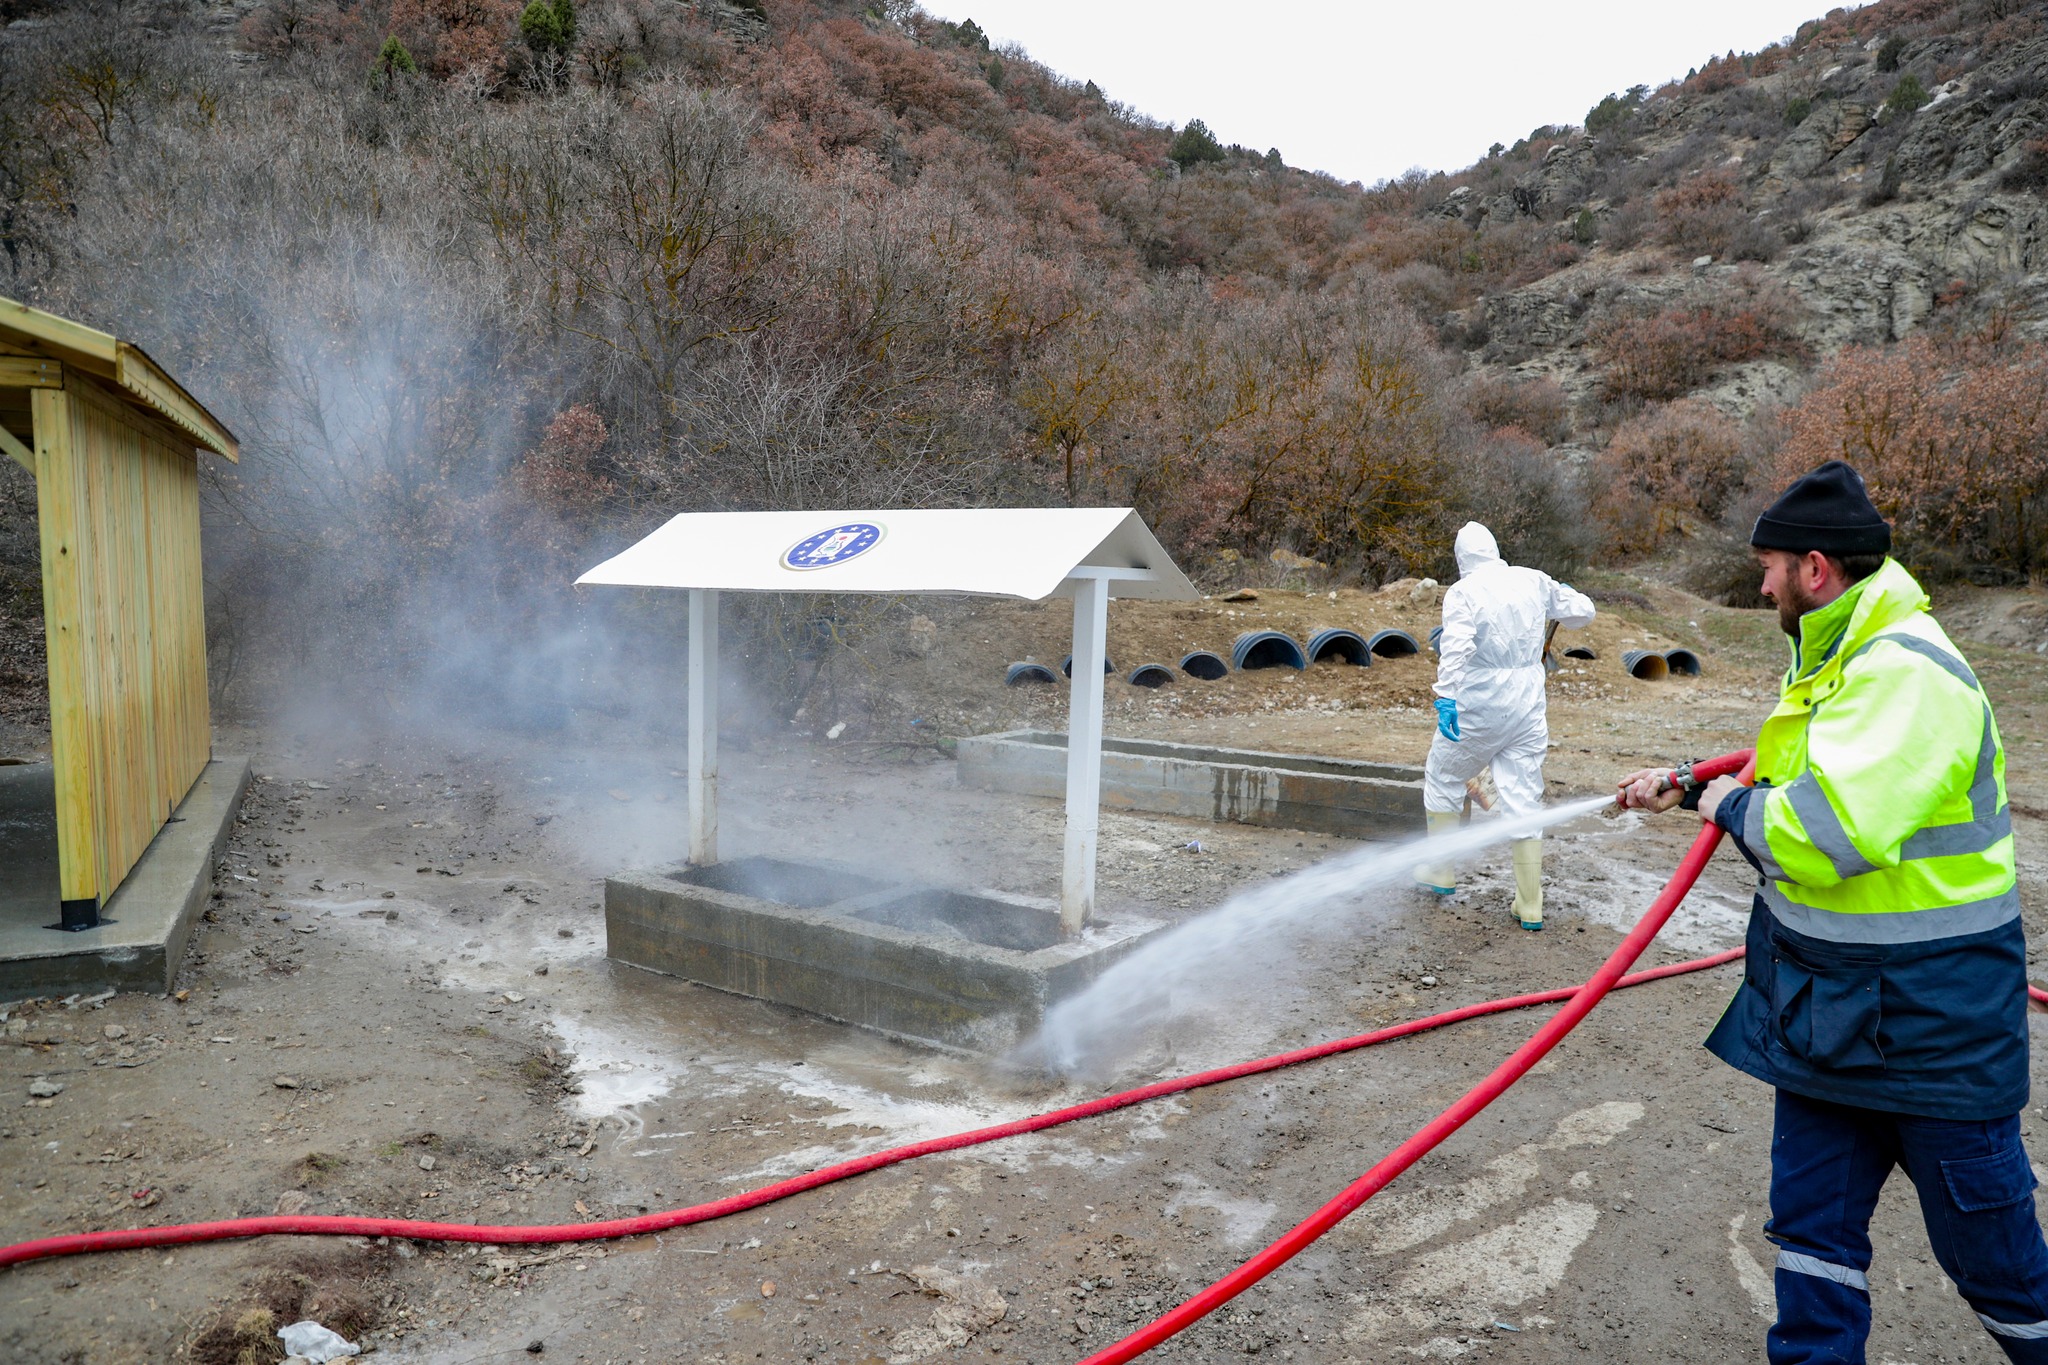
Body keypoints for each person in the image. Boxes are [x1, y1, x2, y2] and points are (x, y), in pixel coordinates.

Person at [1618, 460, 2048, 1363]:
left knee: (2002, 1274)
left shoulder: (1910, 672)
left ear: (1817, 569)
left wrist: (1721, 806)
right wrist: (1694, 778)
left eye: (1770, 565)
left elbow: (1822, 833)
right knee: (1813, 1252)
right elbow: (1813, 772)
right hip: (1830, 1019)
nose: (1761, 582)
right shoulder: (1844, 657)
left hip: (1934, 1035)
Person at [1412, 522, 1595, 929]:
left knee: (1443, 775)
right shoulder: (1532, 580)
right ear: (1495, 551)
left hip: (1481, 699)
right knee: (1523, 797)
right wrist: (1563, 591)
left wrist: (1445, 695)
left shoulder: (1464, 592)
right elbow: (1584, 612)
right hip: (1528, 703)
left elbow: (1456, 646)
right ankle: (1530, 903)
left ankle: (1440, 869)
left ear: (1462, 560)